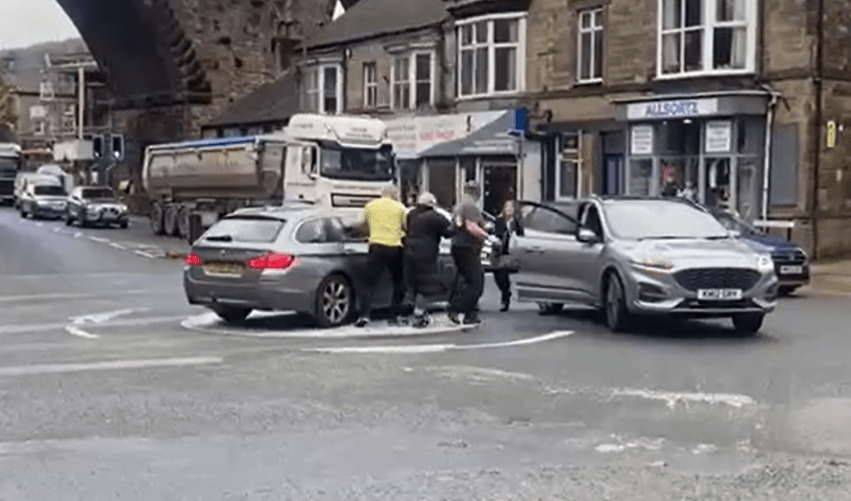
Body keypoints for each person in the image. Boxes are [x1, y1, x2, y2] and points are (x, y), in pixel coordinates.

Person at [356, 186, 407, 328]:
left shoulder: (370, 206)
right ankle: (394, 315)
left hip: (376, 247)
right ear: (394, 194)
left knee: (368, 283)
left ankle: (365, 315)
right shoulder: (400, 207)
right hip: (395, 248)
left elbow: (364, 226)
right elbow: (406, 227)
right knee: (398, 283)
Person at [403, 192, 455, 328]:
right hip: (426, 254)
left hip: (408, 251)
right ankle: (418, 314)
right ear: (432, 203)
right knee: (425, 285)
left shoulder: (411, 215)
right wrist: (458, 224)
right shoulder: (435, 217)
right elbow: (448, 232)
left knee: (412, 283)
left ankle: (414, 309)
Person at [448, 181, 487, 325]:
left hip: (458, 245)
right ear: (477, 193)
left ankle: (470, 314)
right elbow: (471, 226)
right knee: (475, 282)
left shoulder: (459, 205)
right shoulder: (470, 206)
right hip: (467, 247)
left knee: (464, 280)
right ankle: (458, 309)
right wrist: (486, 236)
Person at [491, 200, 523, 312]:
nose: (509, 210)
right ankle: (505, 292)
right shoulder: (499, 220)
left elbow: (521, 234)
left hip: (513, 252)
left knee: (504, 272)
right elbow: (497, 234)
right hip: (501, 251)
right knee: (499, 274)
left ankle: (505, 298)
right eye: (507, 207)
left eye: (511, 208)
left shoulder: (517, 221)